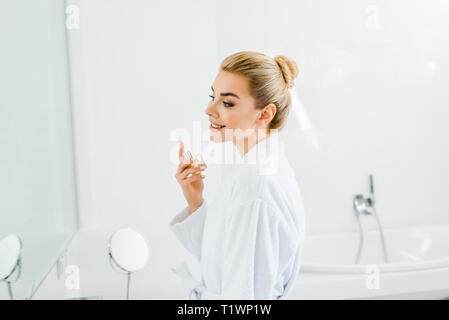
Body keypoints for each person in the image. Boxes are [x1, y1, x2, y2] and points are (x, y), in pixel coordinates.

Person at [169, 51, 306, 299]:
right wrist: (195, 200)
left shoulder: (255, 184)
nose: (209, 109)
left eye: (227, 102)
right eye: (213, 97)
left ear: (265, 114)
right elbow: (224, 260)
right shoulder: (256, 170)